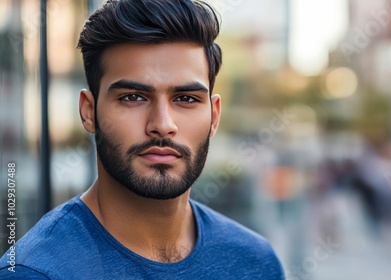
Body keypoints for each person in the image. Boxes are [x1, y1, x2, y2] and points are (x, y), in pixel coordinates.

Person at [0, 0, 285, 278]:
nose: (162, 125)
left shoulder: (254, 262)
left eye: (186, 98)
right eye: (133, 97)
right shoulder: (35, 271)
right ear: (89, 112)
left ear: (214, 115)